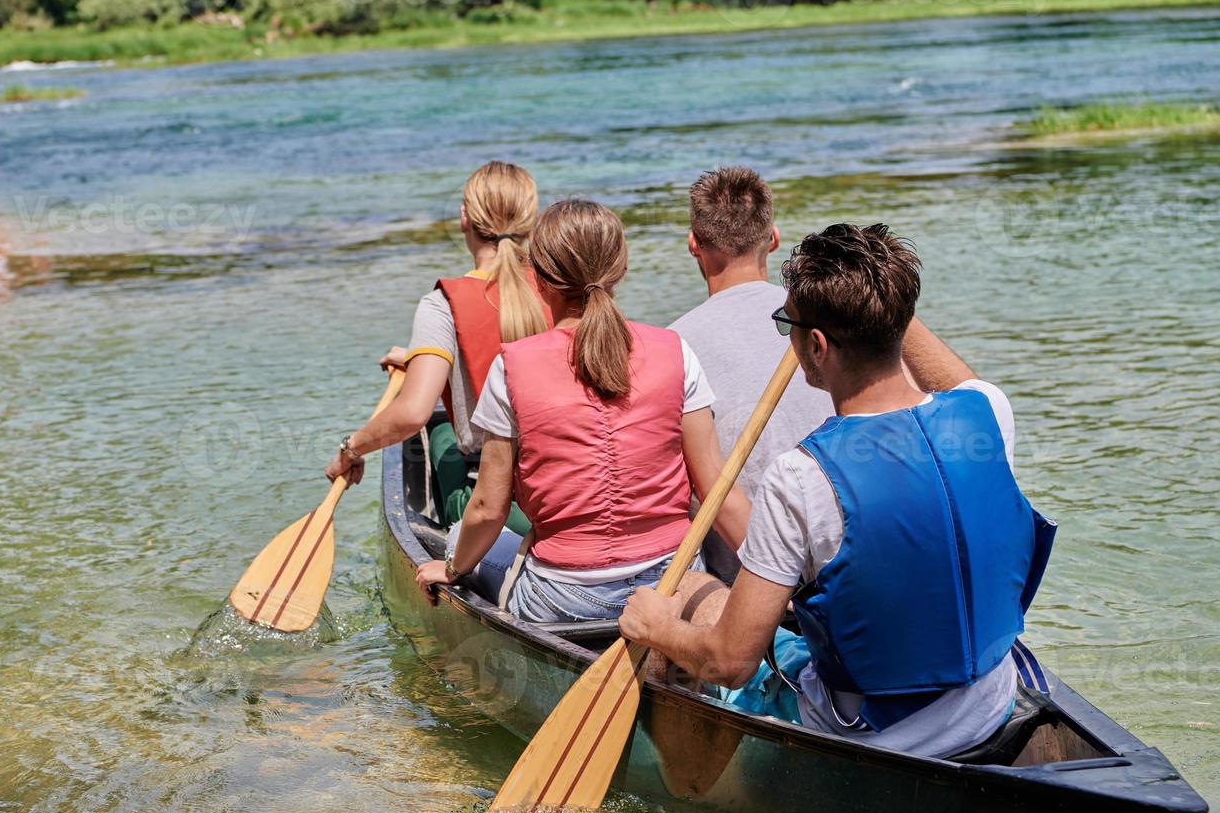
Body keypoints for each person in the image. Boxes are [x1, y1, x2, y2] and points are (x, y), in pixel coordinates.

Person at [619, 223, 1055, 759]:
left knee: (686, 588)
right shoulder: (989, 412)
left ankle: (685, 776)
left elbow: (731, 661)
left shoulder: (801, 476)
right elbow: (952, 377)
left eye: (788, 326)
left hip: (875, 733)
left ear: (817, 346)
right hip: (990, 706)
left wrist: (658, 627)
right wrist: (875, 295)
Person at [413, 199, 750, 622]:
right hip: (671, 579)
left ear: (536, 279)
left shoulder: (511, 366)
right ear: (622, 271)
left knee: (462, 531)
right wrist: (773, 581)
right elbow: (716, 488)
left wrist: (450, 569)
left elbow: (487, 508)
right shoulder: (675, 351)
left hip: (562, 596)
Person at [324, 161, 552, 530]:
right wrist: (422, 356)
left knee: (439, 428)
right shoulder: (557, 288)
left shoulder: (443, 304)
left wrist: (351, 448)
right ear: (531, 220)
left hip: (499, 509)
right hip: (561, 487)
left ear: (464, 217)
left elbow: (412, 413)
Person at [670, 167, 834, 582]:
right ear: (774, 238)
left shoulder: (670, 344)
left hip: (746, 579)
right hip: (840, 560)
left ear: (693, 244)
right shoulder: (826, 321)